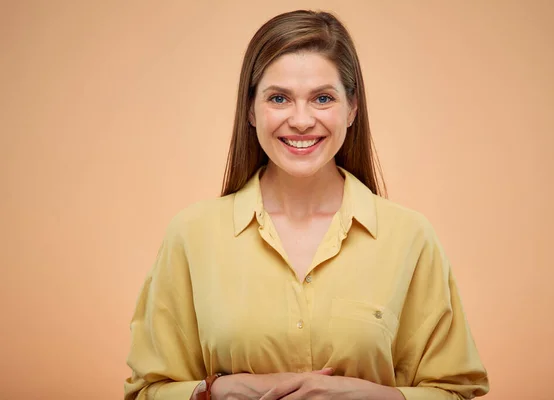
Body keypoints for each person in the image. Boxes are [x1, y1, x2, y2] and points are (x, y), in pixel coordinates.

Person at [124, 9, 490, 400]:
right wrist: (214, 391)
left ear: (352, 109)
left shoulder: (411, 237)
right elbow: (147, 391)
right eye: (279, 98)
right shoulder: (191, 235)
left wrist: (368, 396)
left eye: (322, 98)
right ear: (250, 109)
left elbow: (458, 392)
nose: (301, 120)